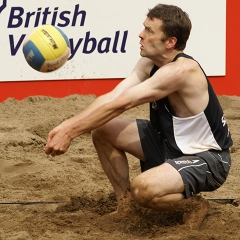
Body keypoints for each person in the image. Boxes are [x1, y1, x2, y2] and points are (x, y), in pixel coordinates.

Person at [44, 4, 232, 230]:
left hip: (208, 158)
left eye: (150, 31)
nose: (141, 35)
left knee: (142, 189)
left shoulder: (181, 71)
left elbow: (122, 104)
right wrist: (68, 124)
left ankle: (193, 205)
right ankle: (125, 206)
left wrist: (70, 132)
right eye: (144, 28)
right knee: (103, 130)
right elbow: (112, 97)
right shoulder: (149, 63)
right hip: (169, 144)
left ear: (170, 42)